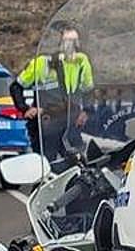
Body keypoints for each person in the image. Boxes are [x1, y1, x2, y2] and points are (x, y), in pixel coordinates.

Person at [9, 25, 94, 164]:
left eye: (74, 42)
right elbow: (16, 86)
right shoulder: (42, 63)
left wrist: (86, 111)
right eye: (67, 41)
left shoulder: (81, 61)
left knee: (77, 161)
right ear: (58, 43)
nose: (71, 46)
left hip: (69, 120)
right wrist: (25, 108)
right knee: (46, 164)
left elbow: (88, 89)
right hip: (45, 123)